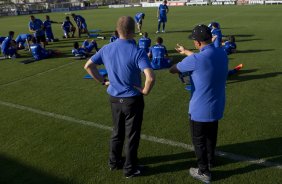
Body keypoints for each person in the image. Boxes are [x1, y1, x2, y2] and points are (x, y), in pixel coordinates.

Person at [84, 16, 155, 178]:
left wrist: (102, 81)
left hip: (114, 99)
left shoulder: (107, 48)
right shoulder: (137, 51)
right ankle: (130, 169)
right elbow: (150, 77)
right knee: (131, 135)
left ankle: (114, 162)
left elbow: (88, 66)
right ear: (133, 31)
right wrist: (145, 91)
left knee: (117, 131)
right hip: (132, 100)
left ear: (117, 31)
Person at [169, 24, 228, 183]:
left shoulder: (196, 59)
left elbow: (174, 69)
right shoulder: (222, 53)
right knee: (211, 136)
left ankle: (204, 171)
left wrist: (182, 59)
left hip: (199, 109)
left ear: (198, 42)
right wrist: (187, 52)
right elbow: (203, 57)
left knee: (199, 141)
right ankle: (210, 160)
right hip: (217, 105)